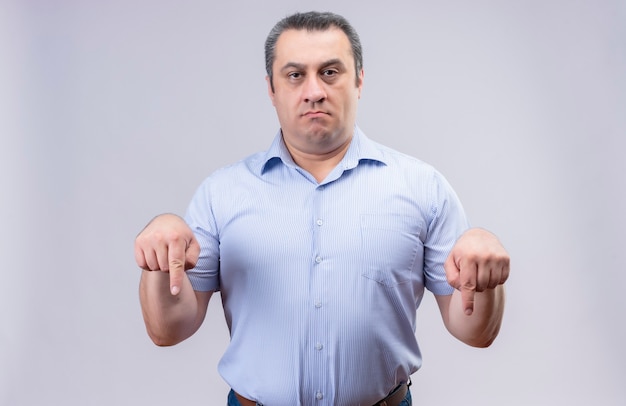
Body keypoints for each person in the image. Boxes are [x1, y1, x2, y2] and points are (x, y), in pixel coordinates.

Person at [134, 11, 510, 406]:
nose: (314, 91)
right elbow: (169, 330)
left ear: (359, 80)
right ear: (271, 89)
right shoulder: (221, 193)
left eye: (330, 72)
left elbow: (475, 332)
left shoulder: (422, 187)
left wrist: (484, 269)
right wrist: (158, 259)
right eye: (295, 75)